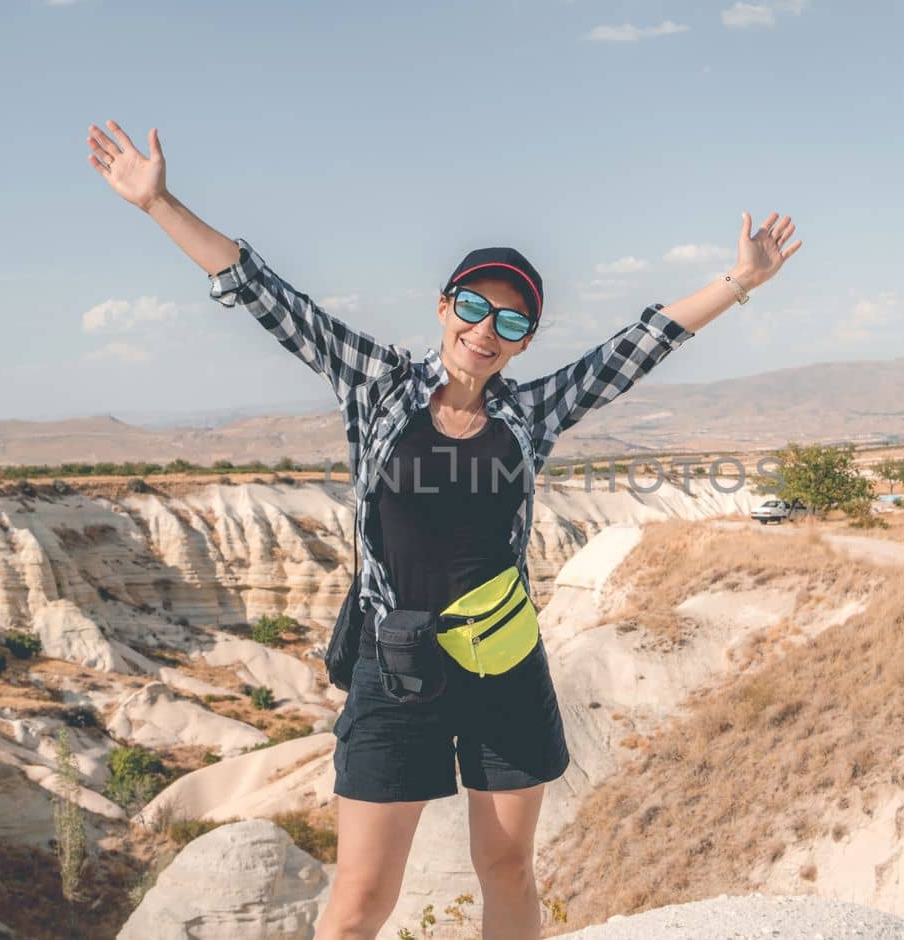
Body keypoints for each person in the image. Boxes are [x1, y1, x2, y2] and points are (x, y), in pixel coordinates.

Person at [87, 119, 801, 940]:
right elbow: (263, 292)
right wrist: (158, 203)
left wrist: (739, 282)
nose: (484, 330)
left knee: (505, 869)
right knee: (359, 902)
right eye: (472, 306)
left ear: (525, 339)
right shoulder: (375, 386)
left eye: (509, 322)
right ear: (444, 306)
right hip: (396, 670)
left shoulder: (532, 410)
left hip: (502, 662)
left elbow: (638, 345)